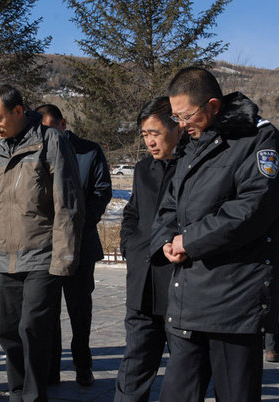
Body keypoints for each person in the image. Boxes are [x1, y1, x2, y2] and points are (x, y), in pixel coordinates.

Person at [150, 67, 279, 401]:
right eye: (175, 116)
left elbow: (252, 209)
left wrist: (190, 241)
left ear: (212, 106)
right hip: (186, 299)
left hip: (233, 302)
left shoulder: (257, 138)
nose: (180, 124)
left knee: (235, 393)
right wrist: (165, 241)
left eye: (186, 115)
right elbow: (169, 206)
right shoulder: (191, 142)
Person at [0, 83, 85, 401]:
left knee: (32, 328)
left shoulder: (50, 141)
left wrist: (65, 258)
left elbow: (69, 202)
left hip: (43, 252)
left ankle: (34, 394)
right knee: (8, 330)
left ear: (18, 112)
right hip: (7, 254)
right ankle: (16, 388)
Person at [34, 104, 112, 387]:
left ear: (64, 124)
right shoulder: (36, 150)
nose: (47, 136)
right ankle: (51, 369)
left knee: (80, 310)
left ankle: (83, 364)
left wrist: (79, 224)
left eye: (52, 129)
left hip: (80, 244)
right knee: (47, 311)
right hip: (46, 247)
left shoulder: (88, 151)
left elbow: (102, 192)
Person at [114, 97, 183, 401]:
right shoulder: (143, 169)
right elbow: (132, 213)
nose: (149, 142)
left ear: (177, 127)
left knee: (183, 375)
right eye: (144, 135)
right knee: (134, 368)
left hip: (179, 288)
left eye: (155, 133)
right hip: (141, 286)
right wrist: (130, 245)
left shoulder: (194, 169)